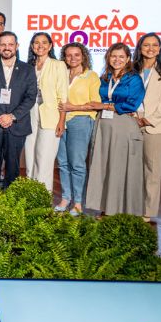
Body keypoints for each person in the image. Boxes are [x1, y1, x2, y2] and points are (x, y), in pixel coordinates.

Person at [85, 44, 145, 216]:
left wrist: (104, 106)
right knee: (103, 166)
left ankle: (119, 210)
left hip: (122, 124)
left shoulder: (134, 79)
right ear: (108, 58)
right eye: (113, 56)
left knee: (118, 167)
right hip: (103, 126)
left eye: (121, 56)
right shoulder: (105, 78)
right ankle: (106, 208)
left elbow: (131, 104)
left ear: (128, 59)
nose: (117, 60)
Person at [133, 33, 161, 222]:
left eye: (154, 45)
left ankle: (148, 211)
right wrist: (134, 117)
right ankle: (133, 207)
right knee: (133, 168)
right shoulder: (132, 68)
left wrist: (149, 119)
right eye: (146, 45)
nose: (150, 48)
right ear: (140, 48)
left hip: (156, 125)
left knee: (151, 170)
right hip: (133, 122)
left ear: (159, 48)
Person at [0, 32, 38, 191]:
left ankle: (10, 197)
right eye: (3, 44)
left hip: (17, 124)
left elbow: (31, 97)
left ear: (17, 46)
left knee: (13, 166)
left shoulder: (28, 69)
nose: (7, 48)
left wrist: (12, 116)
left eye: (10, 44)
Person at [56, 43, 100, 216]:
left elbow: (95, 103)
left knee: (77, 164)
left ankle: (78, 203)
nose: (73, 58)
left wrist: (73, 107)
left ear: (83, 56)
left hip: (81, 121)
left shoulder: (91, 76)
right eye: (69, 55)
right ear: (64, 57)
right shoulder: (62, 74)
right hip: (61, 120)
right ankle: (65, 198)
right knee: (63, 162)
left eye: (76, 54)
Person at [22, 32, 68, 193]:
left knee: (44, 160)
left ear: (50, 46)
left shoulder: (58, 65)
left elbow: (63, 96)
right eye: (36, 42)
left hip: (51, 116)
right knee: (30, 158)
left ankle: (42, 198)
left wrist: (62, 120)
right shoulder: (28, 66)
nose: (40, 45)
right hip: (29, 114)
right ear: (32, 46)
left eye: (44, 42)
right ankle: (30, 195)